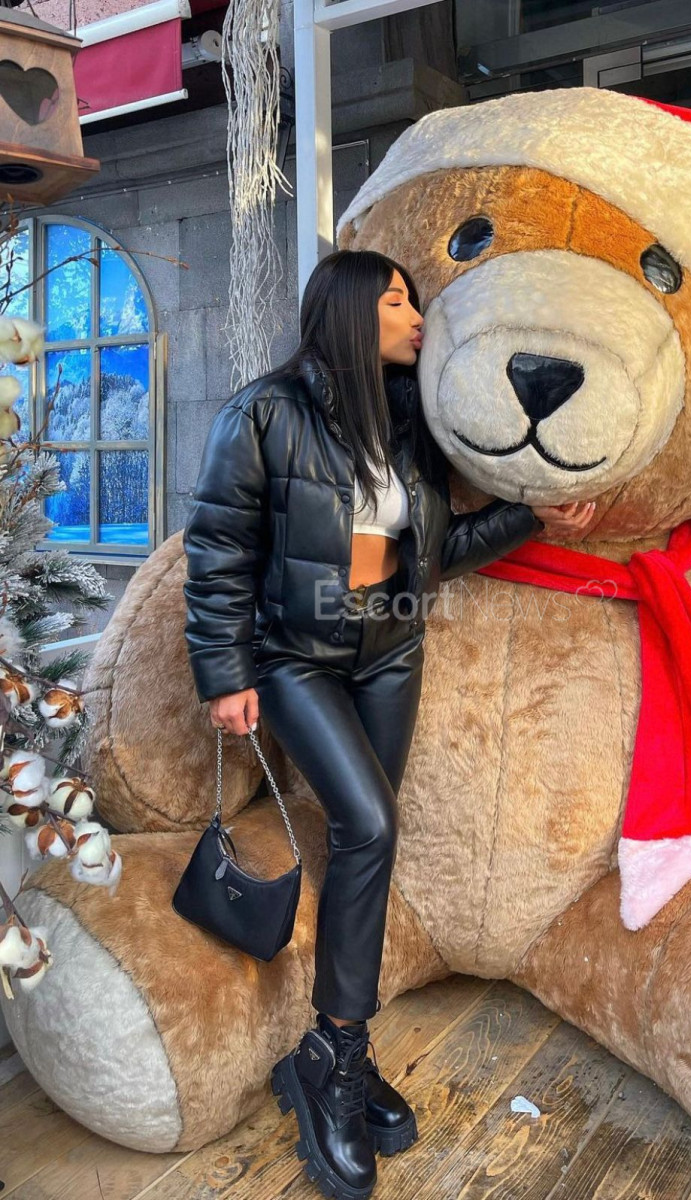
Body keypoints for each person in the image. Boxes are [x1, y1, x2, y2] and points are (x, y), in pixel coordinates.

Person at [181, 249, 593, 1200]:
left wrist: (534, 517)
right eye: (401, 301)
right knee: (367, 824)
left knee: (370, 836)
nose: (418, 318)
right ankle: (333, 1057)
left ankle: (336, 1050)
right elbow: (217, 548)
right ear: (352, 309)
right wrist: (224, 673)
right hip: (295, 656)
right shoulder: (262, 413)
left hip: (391, 649)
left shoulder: (412, 422)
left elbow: (437, 554)